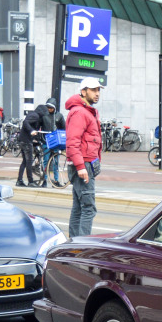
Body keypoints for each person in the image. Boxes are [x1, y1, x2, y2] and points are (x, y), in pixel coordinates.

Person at [65, 77, 103, 238]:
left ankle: (75, 242)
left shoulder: (86, 111)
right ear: (83, 91)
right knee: (88, 208)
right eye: (93, 90)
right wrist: (81, 167)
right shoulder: (80, 112)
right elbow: (72, 141)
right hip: (83, 165)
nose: (97, 94)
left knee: (79, 207)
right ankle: (81, 245)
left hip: (85, 164)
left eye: (98, 90)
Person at [16, 103, 47, 187]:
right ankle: (30, 181)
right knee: (29, 161)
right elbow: (25, 122)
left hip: (23, 139)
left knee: (25, 162)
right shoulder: (35, 116)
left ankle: (19, 180)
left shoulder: (34, 115)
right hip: (26, 140)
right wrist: (31, 131)